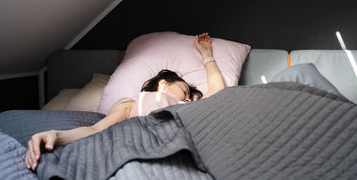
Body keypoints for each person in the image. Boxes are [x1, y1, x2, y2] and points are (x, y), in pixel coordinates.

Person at [25, 33, 226, 171]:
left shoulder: (188, 108)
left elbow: (218, 90)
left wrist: (207, 54)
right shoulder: (131, 103)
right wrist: (57, 136)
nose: (188, 99)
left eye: (190, 97)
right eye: (184, 92)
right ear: (163, 84)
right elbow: (96, 130)